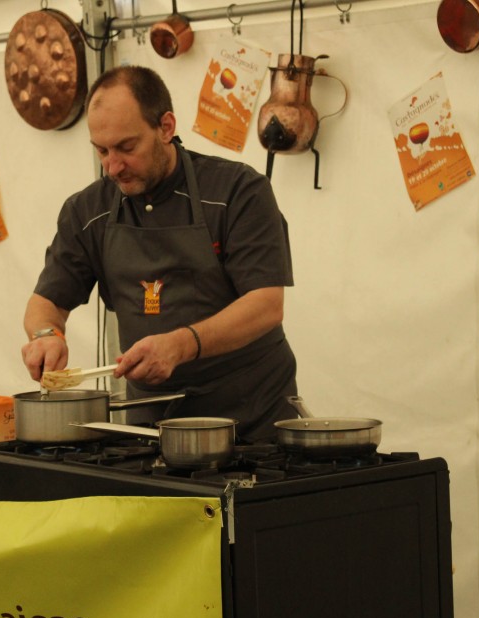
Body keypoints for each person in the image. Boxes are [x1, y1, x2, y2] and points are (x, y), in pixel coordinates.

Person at [21, 65, 297, 442]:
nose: (112, 166)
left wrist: (180, 345)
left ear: (166, 127)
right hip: (152, 427)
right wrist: (45, 335)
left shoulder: (237, 192)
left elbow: (266, 304)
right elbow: (46, 300)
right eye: (101, 151)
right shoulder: (87, 211)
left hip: (252, 418)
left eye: (126, 147)